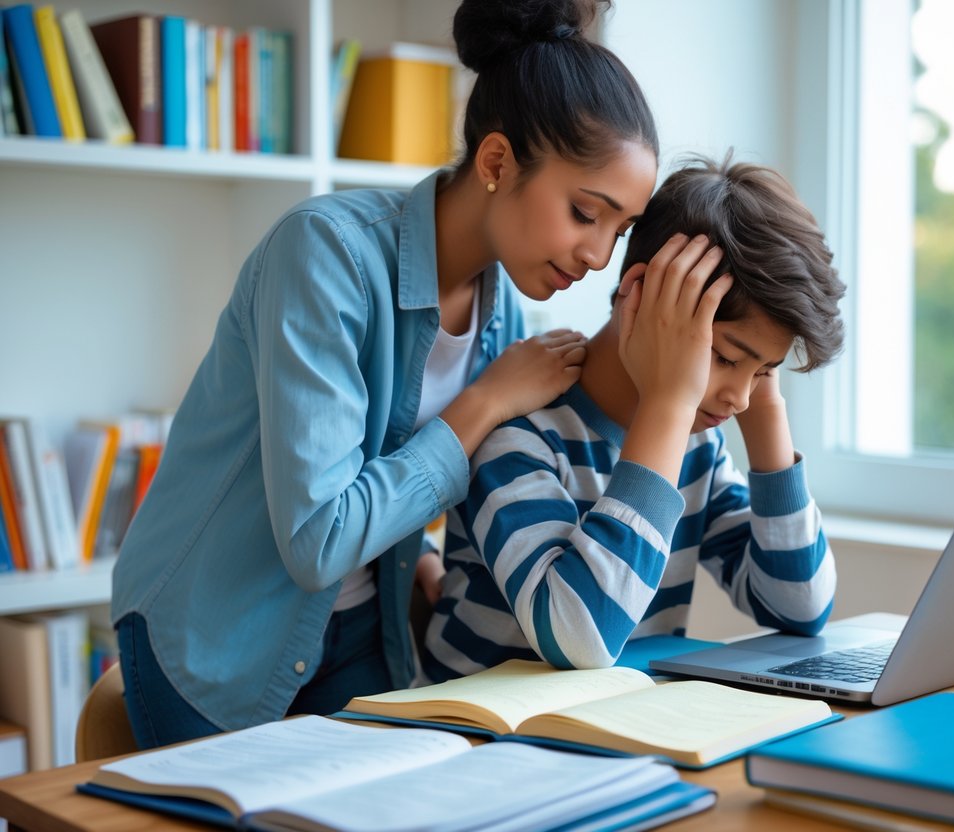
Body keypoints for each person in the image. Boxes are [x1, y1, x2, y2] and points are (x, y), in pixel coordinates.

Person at [110, 0, 658, 748]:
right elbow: (319, 539)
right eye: (584, 212)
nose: (597, 255)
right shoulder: (326, 254)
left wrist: (425, 563)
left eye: (618, 230)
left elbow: (380, 460)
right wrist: (484, 402)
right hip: (218, 635)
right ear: (497, 162)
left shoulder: (506, 317)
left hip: (366, 634)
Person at [421, 155, 846, 682]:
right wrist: (668, 403)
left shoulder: (695, 448)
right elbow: (579, 636)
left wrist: (766, 414)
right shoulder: (521, 436)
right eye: (728, 357)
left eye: (766, 370)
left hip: (617, 738)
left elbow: (799, 607)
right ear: (640, 299)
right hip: (481, 745)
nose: (738, 396)